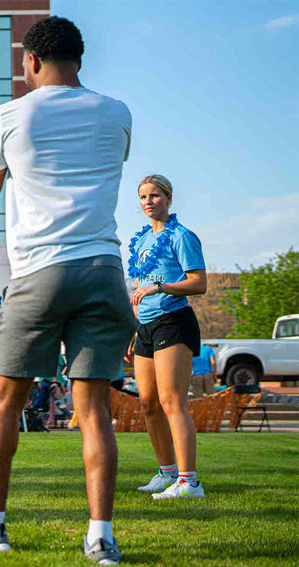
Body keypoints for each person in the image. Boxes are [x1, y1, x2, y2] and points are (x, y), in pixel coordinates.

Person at [0, 18, 136, 564]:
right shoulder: (117, 113)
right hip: (104, 268)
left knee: (5, 402)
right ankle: (100, 536)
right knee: (94, 408)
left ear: (30, 62)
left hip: (40, 273)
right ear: (79, 59)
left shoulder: (8, 116)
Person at [128, 174, 207, 500]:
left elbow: (199, 283)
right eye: (144, 196)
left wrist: (160, 287)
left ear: (169, 199)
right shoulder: (143, 239)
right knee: (147, 403)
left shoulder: (182, 236)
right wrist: (133, 335)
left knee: (172, 400)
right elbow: (137, 292)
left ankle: (190, 483)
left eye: (156, 196)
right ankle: (167, 473)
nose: (149, 201)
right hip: (144, 327)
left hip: (174, 321)